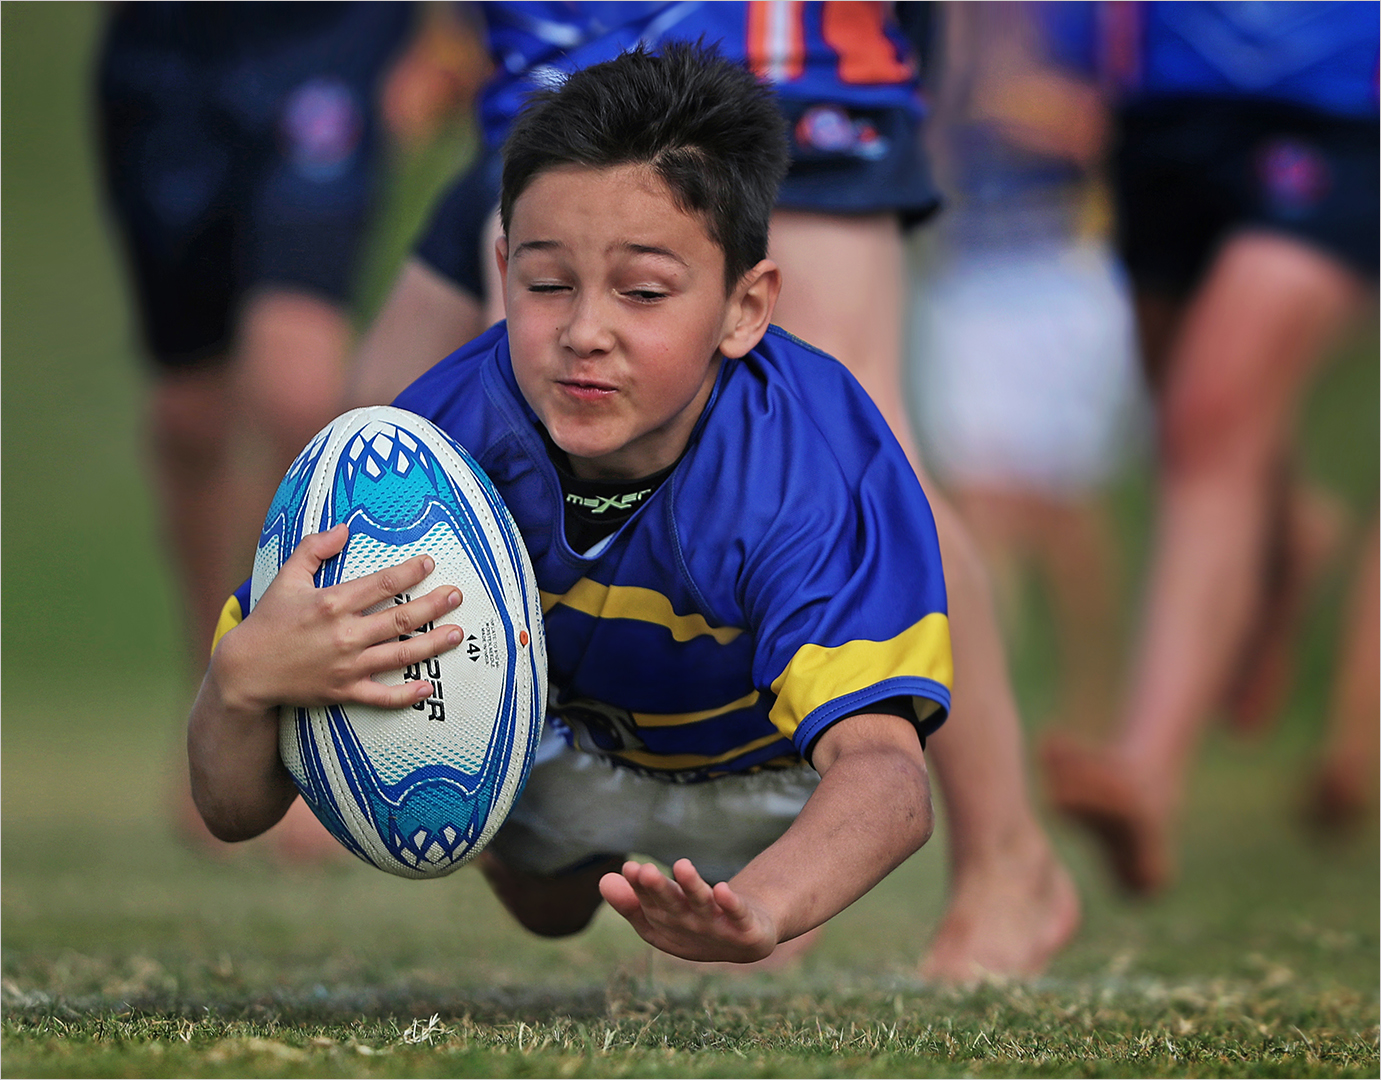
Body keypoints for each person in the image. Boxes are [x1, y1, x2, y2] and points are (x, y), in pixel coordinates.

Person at [348, 0, 1080, 983]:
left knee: (852, 455)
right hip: (551, 43)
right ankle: (571, 809)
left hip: (771, 36)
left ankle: (1001, 862)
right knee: (401, 413)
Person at [190, 43, 951, 965]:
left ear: (745, 308)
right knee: (550, 907)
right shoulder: (420, 451)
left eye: (642, 292)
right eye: (547, 286)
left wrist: (764, 905)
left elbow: (888, 777)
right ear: (502, 268)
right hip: (558, 752)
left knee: (775, 865)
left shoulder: (811, 461)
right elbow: (234, 810)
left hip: (764, 776)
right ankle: (523, 835)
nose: (585, 332)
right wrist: (242, 684)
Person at [1041, 0, 1378, 894]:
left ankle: (1145, 773)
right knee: (1197, 435)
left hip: (1338, 111)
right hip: (1158, 106)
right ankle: (1285, 536)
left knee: (1210, 410)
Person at [97, 3, 416, 857]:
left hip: (327, 39)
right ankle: (216, 702)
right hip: (161, 57)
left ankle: (308, 730)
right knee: (189, 415)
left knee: (295, 386)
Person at [907, 0, 1142, 738]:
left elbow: (1110, 130)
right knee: (978, 500)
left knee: (1062, 508)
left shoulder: (1082, 16)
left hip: (1062, 271)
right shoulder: (939, 20)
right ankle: (982, 713)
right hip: (968, 276)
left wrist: (1012, 99)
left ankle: (1093, 704)